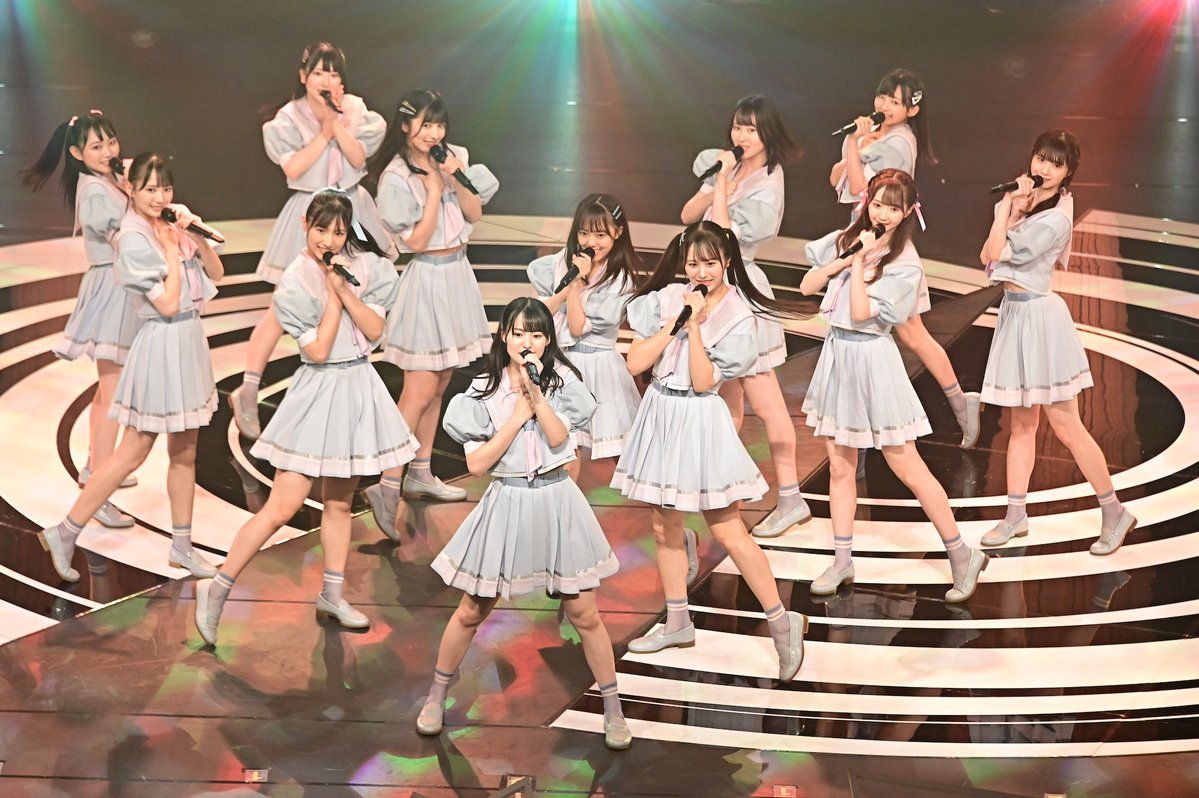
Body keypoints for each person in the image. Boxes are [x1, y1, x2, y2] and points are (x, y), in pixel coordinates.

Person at [193, 188, 416, 644]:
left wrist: (345, 292)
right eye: (321, 230)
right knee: (282, 507)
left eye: (338, 232)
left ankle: (332, 595)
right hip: (317, 394)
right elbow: (316, 350)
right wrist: (334, 299)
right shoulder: (294, 281)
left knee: (340, 503)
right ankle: (215, 588)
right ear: (305, 226)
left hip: (357, 387)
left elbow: (375, 331)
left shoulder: (366, 267)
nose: (329, 241)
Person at [414, 297, 631, 750]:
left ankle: (613, 709)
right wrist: (515, 418)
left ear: (547, 340)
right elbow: (477, 465)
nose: (527, 342)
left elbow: (558, 437)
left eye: (536, 334)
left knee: (584, 613)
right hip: (508, 501)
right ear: (504, 336)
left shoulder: (563, 382)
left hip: (557, 500)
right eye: (518, 333)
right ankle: (435, 695)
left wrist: (536, 396)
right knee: (472, 609)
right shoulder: (481, 391)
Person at [612, 220, 808, 682]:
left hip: (700, 419)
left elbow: (704, 382)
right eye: (693, 263)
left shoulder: (739, 317)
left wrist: (696, 328)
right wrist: (676, 321)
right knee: (664, 527)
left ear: (727, 262)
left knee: (728, 530)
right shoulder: (667, 299)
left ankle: (783, 623)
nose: (700, 272)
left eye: (710, 263)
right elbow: (636, 362)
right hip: (660, 412)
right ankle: (678, 621)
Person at [800, 169, 987, 601]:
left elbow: (861, 313)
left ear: (907, 213)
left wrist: (859, 264)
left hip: (873, 359)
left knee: (907, 466)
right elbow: (808, 284)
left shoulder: (905, 264)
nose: (882, 214)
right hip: (838, 356)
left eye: (892, 207)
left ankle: (962, 555)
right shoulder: (850, 239)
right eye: (877, 204)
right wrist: (848, 257)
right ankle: (842, 560)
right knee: (840, 465)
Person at [38, 153, 224, 583]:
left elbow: (217, 273)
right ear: (131, 189)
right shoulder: (132, 239)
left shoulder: (171, 224)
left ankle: (182, 546)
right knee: (134, 450)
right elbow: (167, 304)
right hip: (160, 344)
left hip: (189, 342)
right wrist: (172, 253)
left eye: (165, 188)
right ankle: (66, 530)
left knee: (185, 451)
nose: (159, 197)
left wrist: (195, 235)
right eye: (150, 189)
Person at [978, 130, 1135, 554]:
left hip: (1041, 320)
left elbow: (996, 252)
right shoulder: (1031, 203)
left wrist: (1007, 209)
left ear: (1068, 173)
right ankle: (1015, 515)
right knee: (1021, 424)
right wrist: (1013, 208)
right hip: (1015, 314)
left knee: (1066, 426)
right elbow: (987, 256)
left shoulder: (1056, 218)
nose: (1044, 168)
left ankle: (1114, 511)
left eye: (1056, 164)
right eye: (1041, 158)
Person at [229, 42, 395, 440]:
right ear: (303, 76)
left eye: (334, 74)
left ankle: (349, 379)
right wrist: (322, 132)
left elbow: (358, 159)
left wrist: (336, 123)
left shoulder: (355, 110)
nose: (327, 80)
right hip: (312, 213)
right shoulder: (288, 119)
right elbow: (294, 168)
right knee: (281, 308)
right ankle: (248, 389)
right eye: (319, 72)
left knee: (355, 290)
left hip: (351, 209)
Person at [364, 89, 499, 537]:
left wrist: (454, 179)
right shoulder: (396, 176)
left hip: (458, 275)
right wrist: (435, 190)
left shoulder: (454, 156)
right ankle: (386, 483)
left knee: (441, 382)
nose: (434, 133)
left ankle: (420, 472)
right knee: (418, 390)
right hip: (427, 279)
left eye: (439, 124)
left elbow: (475, 212)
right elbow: (416, 242)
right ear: (405, 125)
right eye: (425, 124)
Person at [681, 95, 813, 538]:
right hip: (713, 289)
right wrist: (717, 181)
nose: (742, 135)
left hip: (742, 291)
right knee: (725, 404)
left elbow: (725, 236)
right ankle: (720, 493)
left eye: (751, 129)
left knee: (768, 403)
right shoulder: (727, 165)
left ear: (767, 133)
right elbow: (688, 216)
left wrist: (722, 188)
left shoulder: (770, 183)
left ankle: (791, 497)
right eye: (738, 126)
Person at [829, 69, 981, 448]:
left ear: (912, 110)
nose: (885, 105)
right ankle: (956, 407)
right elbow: (836, 178)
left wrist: (855, 144)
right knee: (908, 333)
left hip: (886, 245)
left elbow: (859, 188)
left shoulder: (898, 142)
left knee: (911, 333)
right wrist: (857, 142)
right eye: (883, 97)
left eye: (895, 101)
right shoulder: (877, 134)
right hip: (868, 239)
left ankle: (961, 406)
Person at [20, 110, 143, 523]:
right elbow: (126, 238)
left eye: (111, 142)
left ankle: (95, 468)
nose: (108, 151)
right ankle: (97, 491)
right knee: (113, 394)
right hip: (113, 290)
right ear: (76, 153)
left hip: (119, 287)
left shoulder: (108, 181)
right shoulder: (94, 192)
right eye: (97, 146)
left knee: (108, 391)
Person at [527, 193, 642, 473]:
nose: (591, 242)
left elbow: (577, 328)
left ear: (618, 233)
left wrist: (576, 288)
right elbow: (541, 315)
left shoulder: (620, 280)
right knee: (566, 448)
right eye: (584, 233)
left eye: (600, 235)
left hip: (600, 369)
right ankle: (566, 502)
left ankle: (652, 497)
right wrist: (569, 284)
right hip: (562, 364)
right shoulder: (558, 264)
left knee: (623, 454)